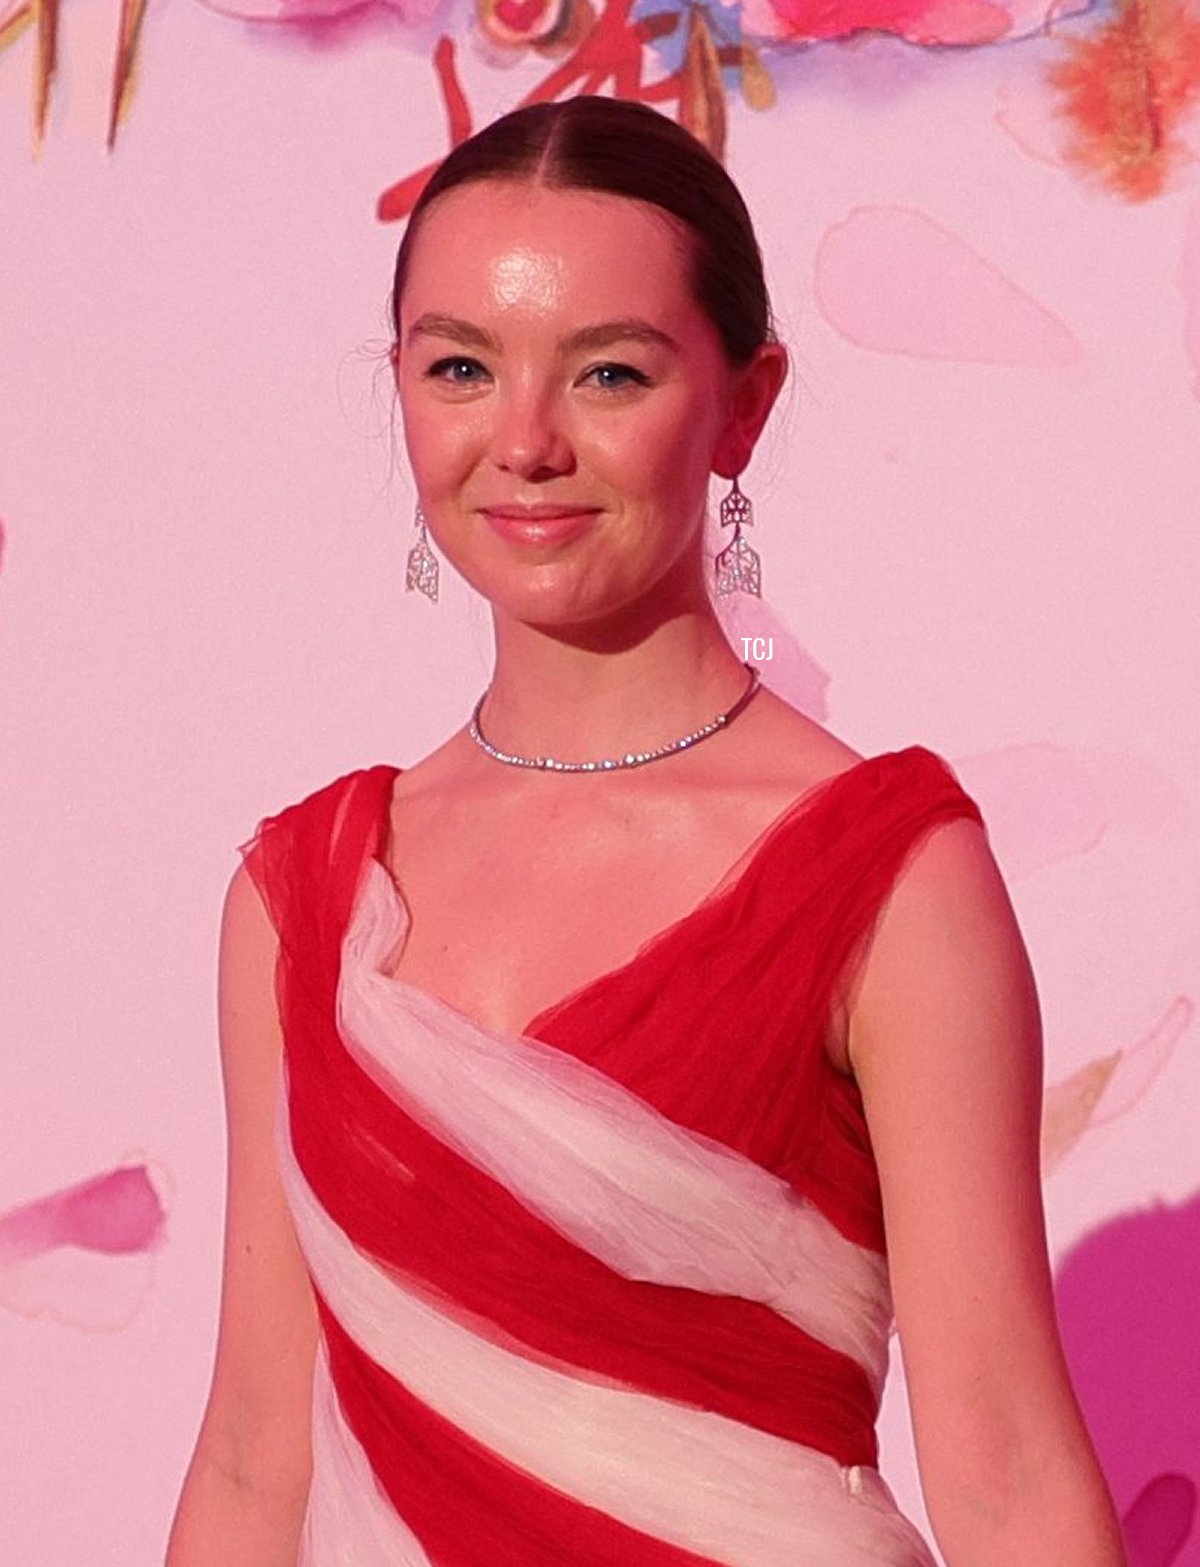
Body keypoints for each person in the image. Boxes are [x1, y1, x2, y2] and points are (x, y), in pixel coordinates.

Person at [166, 96, 1127, 1567]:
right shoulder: (298, 899)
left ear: (746, 403)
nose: (528, 442)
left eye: (610, 371)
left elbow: (1002, 1473)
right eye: (462, 369)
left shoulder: (886, 874)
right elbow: (250, 1462)